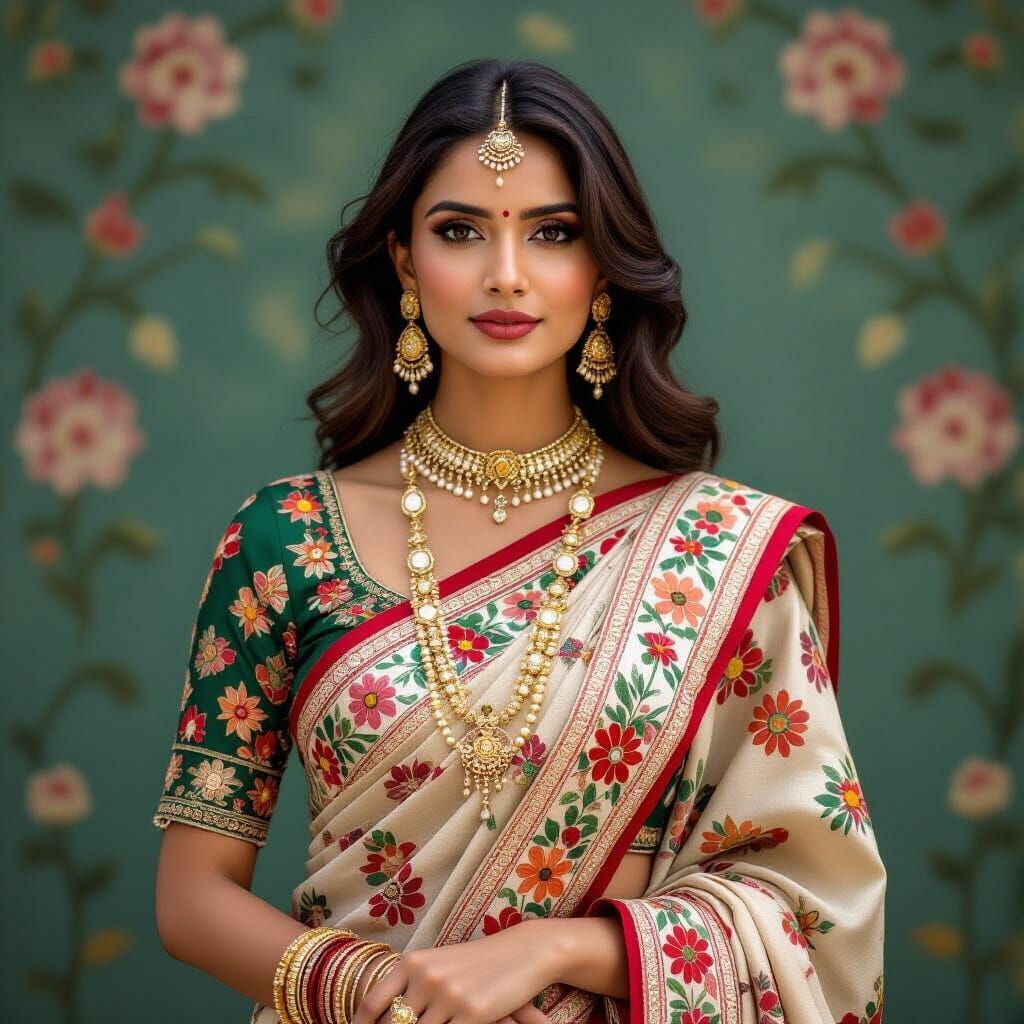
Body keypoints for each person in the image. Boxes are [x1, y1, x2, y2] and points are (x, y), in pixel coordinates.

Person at [153, 59, 886, 1024]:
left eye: (553, 233)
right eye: (460, 230)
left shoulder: (720, 549)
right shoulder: (283, 540)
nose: (507, 273)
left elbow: (811, 907)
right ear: (406, 261)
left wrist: (559, 947)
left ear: (604, 267)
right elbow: (192, 897)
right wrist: (381, 991)